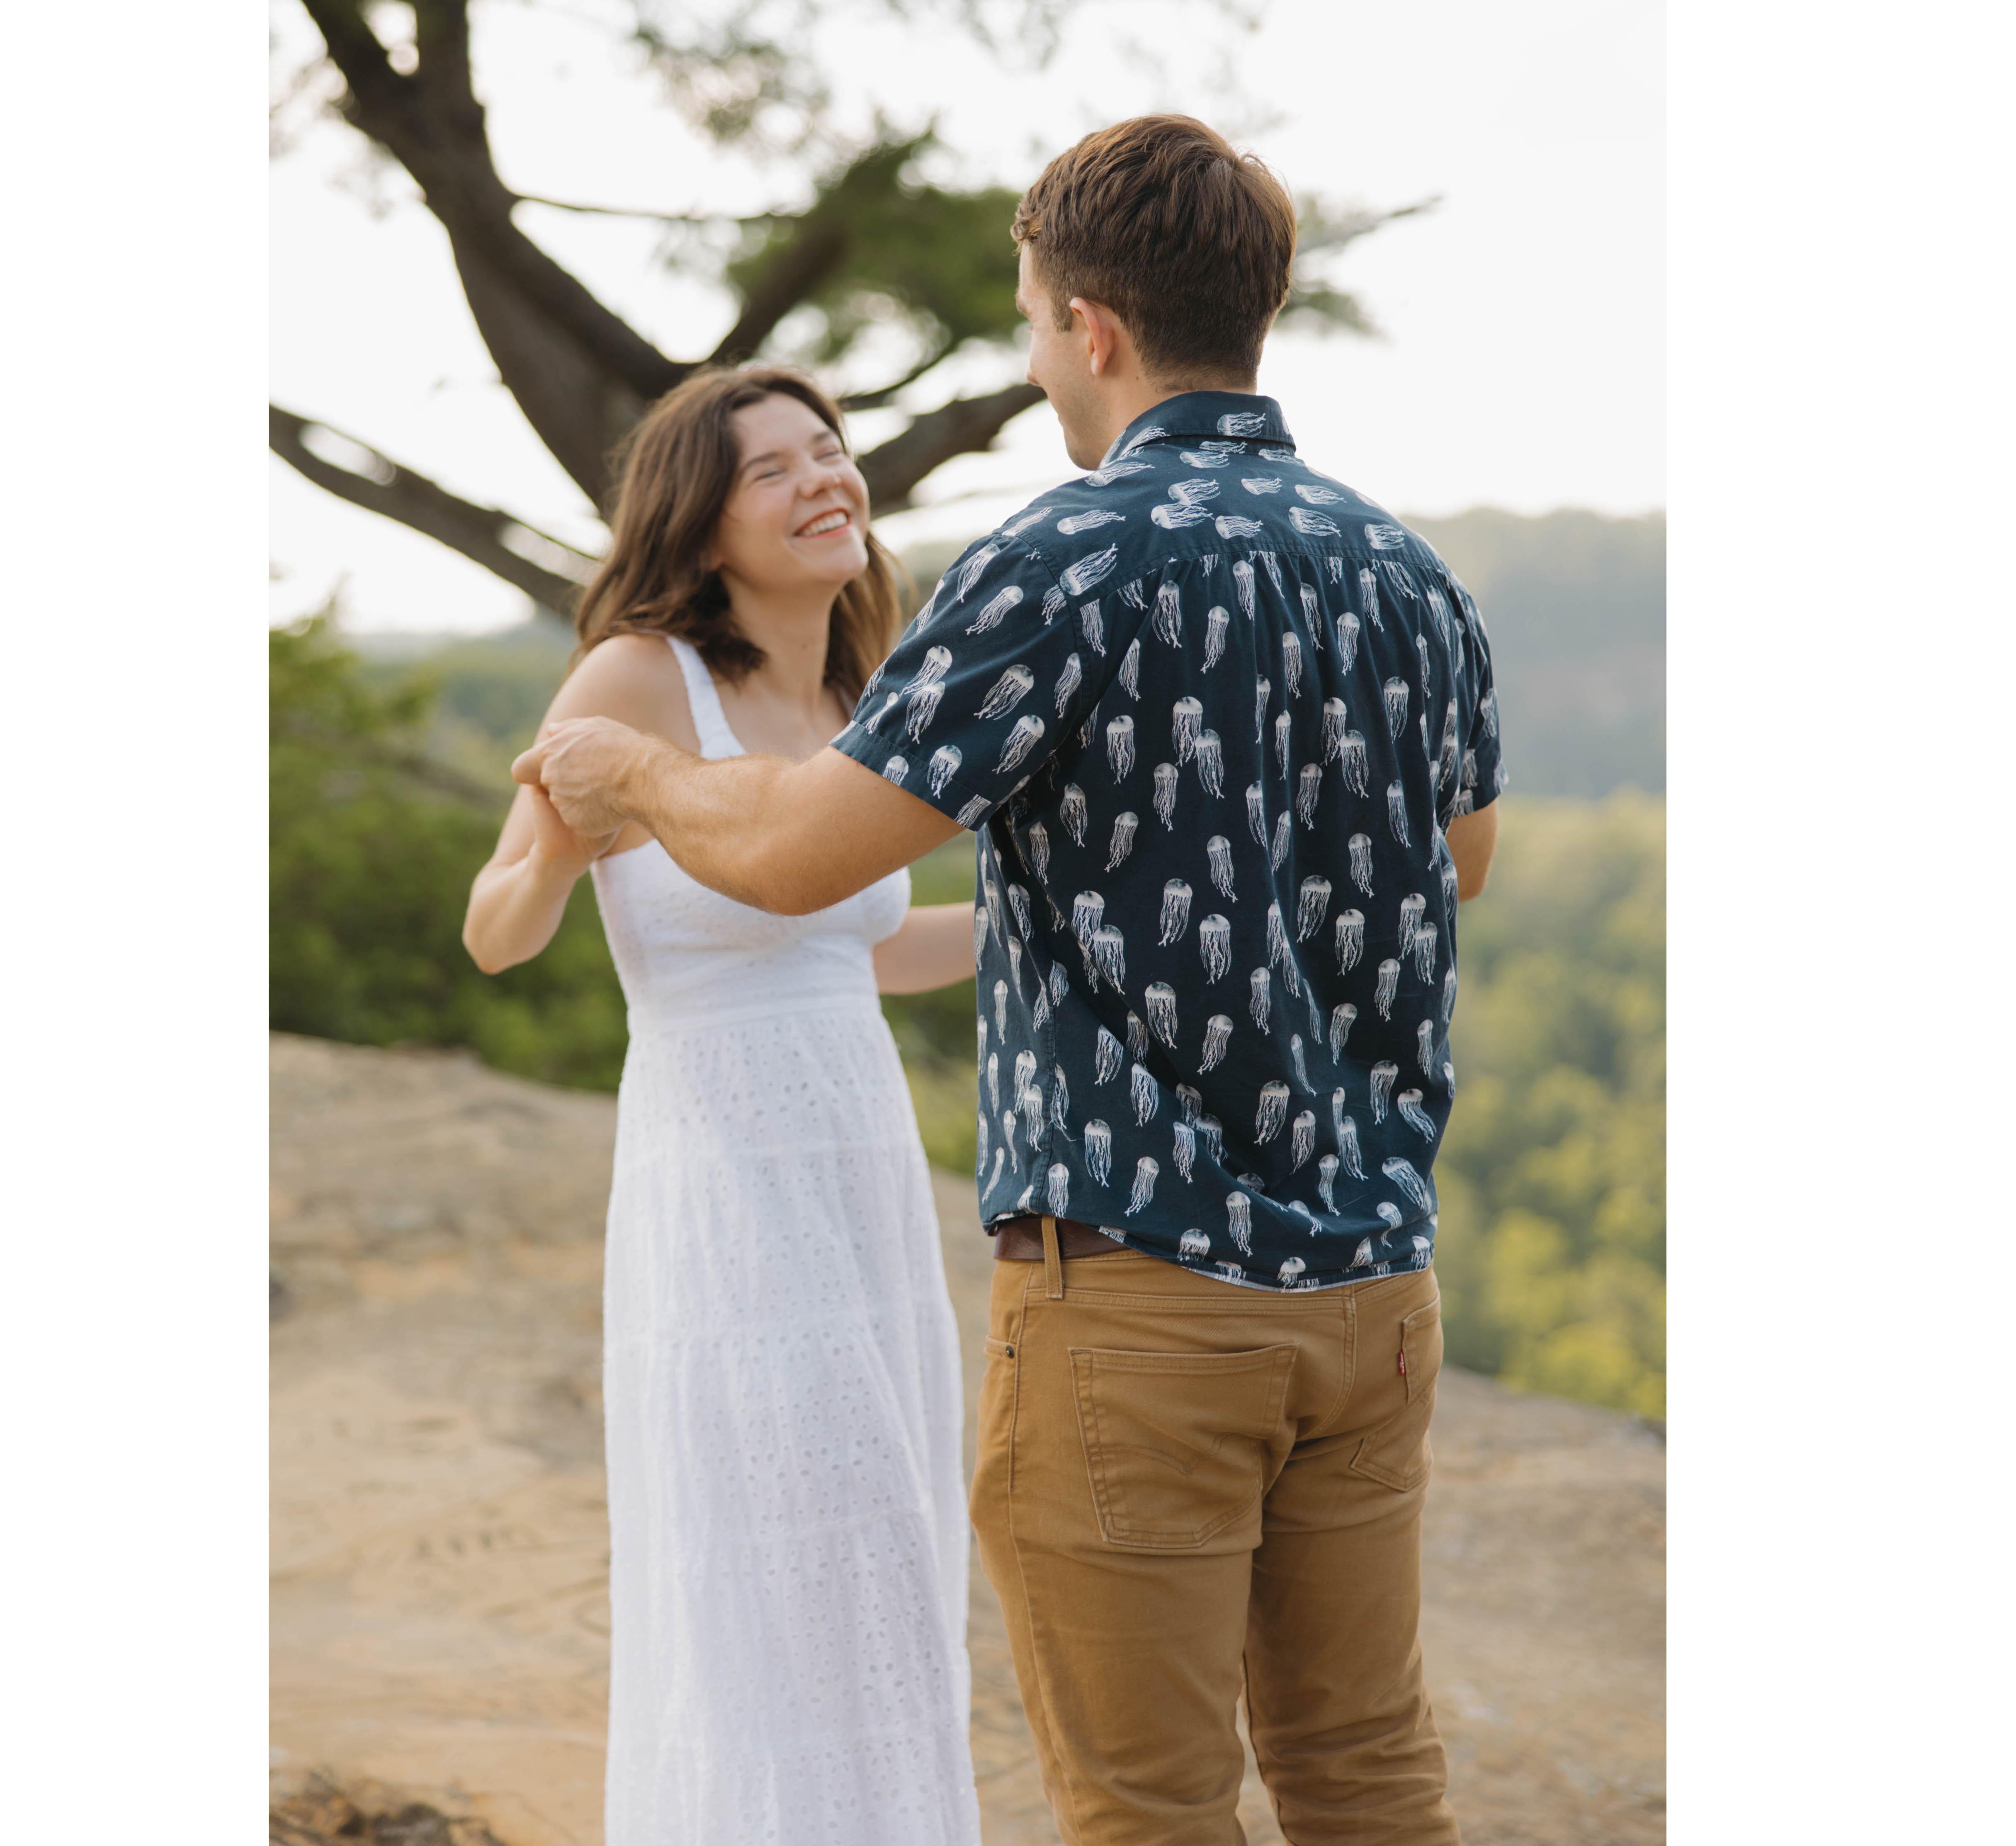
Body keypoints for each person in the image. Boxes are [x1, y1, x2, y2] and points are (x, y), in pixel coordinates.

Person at [517, 114, 1506, 1846]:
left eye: (1037, 319)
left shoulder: (1057, 560)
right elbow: (1459, 860)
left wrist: (641, 786)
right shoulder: (1402, 572)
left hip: (1141, 1294)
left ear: (1092, 326)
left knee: (1145, 1801)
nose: (1037, 356)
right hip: (1374, 1293)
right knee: (1367, 1775)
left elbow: (798, 855)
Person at [463, 367, 982, 1846]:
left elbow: (869, 948)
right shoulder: (636, 679)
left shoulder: (860, 696)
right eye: (776, 470)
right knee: (780, 1570)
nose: (826, 479)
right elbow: (495, 928)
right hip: (721, 1171)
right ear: (700, 530)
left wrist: (1044, 933)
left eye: (832, 452)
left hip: (862, 1169)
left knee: (889, 1550)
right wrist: (561, 843)